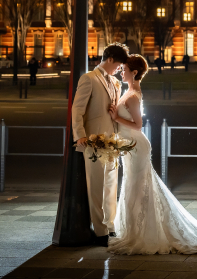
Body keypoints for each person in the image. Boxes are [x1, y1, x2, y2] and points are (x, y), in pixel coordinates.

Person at [108, 54, 197, 254]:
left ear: (134, 72)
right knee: (135, 186)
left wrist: (116, 117)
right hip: (129, 146)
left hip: (135, 146)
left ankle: (144, 232)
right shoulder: (129, 91)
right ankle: (135, 229)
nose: (121, 72)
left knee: (139, 187)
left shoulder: (132, 95)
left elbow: (138, 125)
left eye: (124, 69)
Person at [72, 42, 130, 246]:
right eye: (118, 65)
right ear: (110, 59)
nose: (119, 69)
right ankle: (100, 231)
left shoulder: (115, 82)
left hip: (112, 141)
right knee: (96, 186)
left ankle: (110, 226)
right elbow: (77, 109)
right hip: (93, 141)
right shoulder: (89, 78)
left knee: (111, 186)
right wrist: (79, 135)